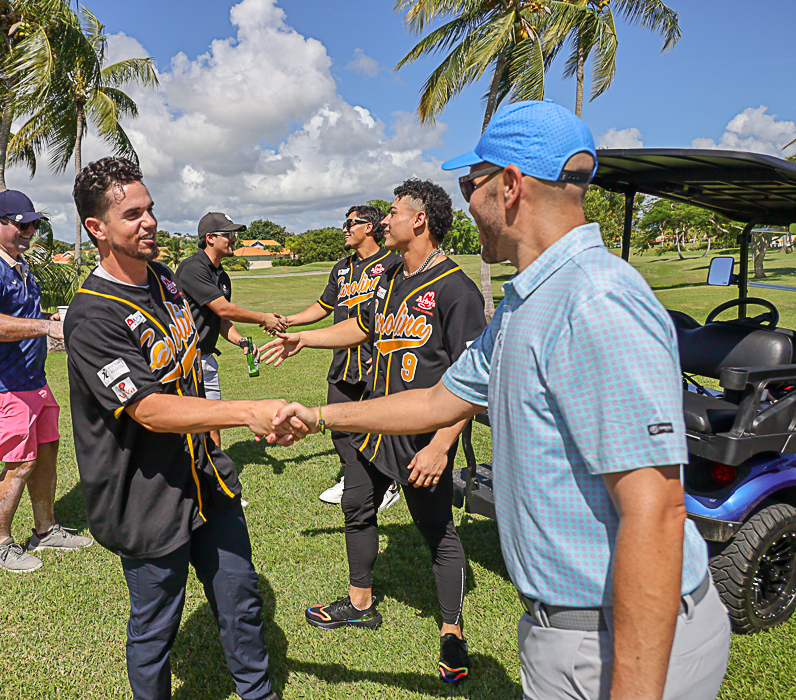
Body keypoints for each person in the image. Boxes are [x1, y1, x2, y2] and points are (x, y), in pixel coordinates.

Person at [271, 100, 731, 700]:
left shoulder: (596, 300)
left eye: (471, 185)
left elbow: (657, 511)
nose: (466, 204)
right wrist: (317, 416)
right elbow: (438, 400)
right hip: (567, 629)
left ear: (509, 186)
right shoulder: (526, 302)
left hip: (618, 637)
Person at [65, 157, 286, 700]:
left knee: (241, 599)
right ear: (97, 227)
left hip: (207, 475)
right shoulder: (92, 316)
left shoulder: (166, 280)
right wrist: (245, 411)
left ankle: (258, 693)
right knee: (155, 626)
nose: (149, 222)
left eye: (150, 209)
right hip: (146, 494)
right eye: (132, 214)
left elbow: (193, 354)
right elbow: (148, 409)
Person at [261, 180, 486, 685]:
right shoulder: (388, 276)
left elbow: (471, 382)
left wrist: (440, 446)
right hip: (374, 424)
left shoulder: (455, 289)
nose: (385, 220)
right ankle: (360, 603)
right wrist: (304, 339)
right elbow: (363, 327)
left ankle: (452, 630)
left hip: (422, 435)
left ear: (419, 220)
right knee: (356, 506)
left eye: (393, 212)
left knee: (437, 531)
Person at [0, 189, 92, 574]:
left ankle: (45, 530)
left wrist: (54, 319)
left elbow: (23, 317)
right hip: (1, 384)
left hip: (33, 380)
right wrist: (46, 327)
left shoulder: (19, 265)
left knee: (47, 451)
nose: (30, 232)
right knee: (20, 462)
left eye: (33, 225)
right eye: (22, 225)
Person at [281, 205, 402, 510]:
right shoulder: (342, 268)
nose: (345, 229)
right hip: (344, 358)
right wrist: (290, 321)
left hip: (376, 358)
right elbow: (324, 305)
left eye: (350, 223)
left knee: (379, 423)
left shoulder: (392, 263)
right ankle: (354, 477)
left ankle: (387, 484)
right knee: (337, 427)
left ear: (369, 227)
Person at [175, 212, 288, 447]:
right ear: (210, 238)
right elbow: (224, 309)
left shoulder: (222, 277)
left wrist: (241, 341)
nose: (234, 239)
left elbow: (222, 321)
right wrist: (264, 318)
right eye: (228, 234)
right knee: (184, 426)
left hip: (206, 358)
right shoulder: (192, 268)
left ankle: (215, 467)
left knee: (214, 422)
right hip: (183, 360)